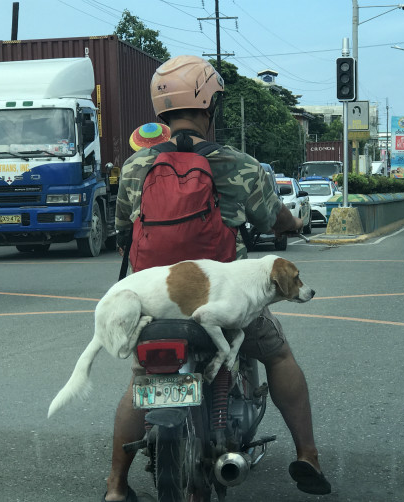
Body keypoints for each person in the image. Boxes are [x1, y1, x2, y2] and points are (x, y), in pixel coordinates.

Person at [105, 55, 331, 502]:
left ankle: (114, 485)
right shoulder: (240, 165)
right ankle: (308, 456)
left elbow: (124, 230)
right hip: (223, 298)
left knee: (141, 382)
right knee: (279, 355)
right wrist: (293, 225)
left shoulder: (136, 167)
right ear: (209, 104)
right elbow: (273, 219)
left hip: (158, 303)